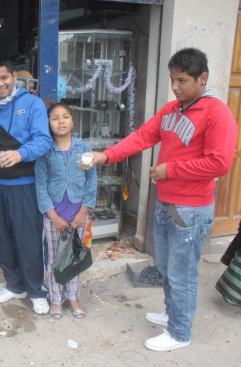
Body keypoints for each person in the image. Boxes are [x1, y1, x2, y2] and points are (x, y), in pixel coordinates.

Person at [90, 48, 238, 351]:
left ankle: (180, 332)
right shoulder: (172, 110)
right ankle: (173, 313)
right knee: (167, 269)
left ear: (202, 78)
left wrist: (171, 169)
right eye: (172, 79)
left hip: (191, 210)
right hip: (166, 203)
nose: (175, 87)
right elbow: (142, 136)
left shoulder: (217, 112)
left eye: (182, 81)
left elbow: (220, 163)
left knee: (182, 274)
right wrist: (107, 155)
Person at [0, 58, 53, 314]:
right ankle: (14, 285)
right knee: (3, 237)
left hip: (25, 184)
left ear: (14, 77)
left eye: (4, 78)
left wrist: (21, 154)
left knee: (28, 239)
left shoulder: (32, 103)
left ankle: (35, 290)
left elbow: (44, 140)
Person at [34, 103, 97, 319]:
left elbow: (91, 181)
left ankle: (73, 296)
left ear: (72, 121)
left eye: (65, 117)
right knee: (54, 258)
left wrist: (83, 211)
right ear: (48, 123)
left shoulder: (83, 149)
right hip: (54, 215)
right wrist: (53, 215)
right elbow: (40, 185)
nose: (61, 121)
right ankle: (56, 298)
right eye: (55, 118)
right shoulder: (45, 151)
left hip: (78, 213)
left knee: (75, 256)